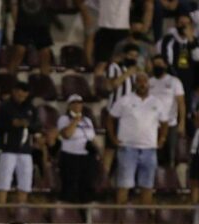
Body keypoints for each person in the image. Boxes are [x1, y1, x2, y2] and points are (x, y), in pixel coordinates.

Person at [107, 72, 168, 205]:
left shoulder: (157, 102)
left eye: (144, 82)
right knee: (124, 184)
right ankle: (121, 218)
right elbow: (111, 118)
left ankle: (145, 220)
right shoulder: (125, 100)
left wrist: (162, 138)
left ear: (148, 84)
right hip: (127, 147)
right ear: (135, 84)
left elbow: (164, 122)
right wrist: (113, 138)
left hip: (149, 149)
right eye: (139, 81)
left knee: (147, 185)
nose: (142, 84)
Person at [0, 82, 41, 204]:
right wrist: (11, 124)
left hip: (25, 150)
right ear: (14, 91)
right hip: (8, 149)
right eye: (20, 91)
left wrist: (27, 124)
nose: (22, 94)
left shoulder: (31, 108)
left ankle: (22, 210)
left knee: (25, 181)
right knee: (4, 181)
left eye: (25, 92)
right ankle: (1, 209)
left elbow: (37, 126)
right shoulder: (4, 107)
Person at [157, 13, 199, 112]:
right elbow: (167, 61)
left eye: (186, 23)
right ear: (176, 24)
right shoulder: (169, 39)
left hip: (188, 81)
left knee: (185, 109)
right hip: (172, 80)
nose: (183, 26)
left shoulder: (193, 40)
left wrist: (190, 40)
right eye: (181, 23)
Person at [103, 43, 139, 176]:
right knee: (110, 148)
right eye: (130, 55)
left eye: (136, 56)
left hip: (129, 116)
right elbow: (110, 86)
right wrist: (126, 74)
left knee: (127, 149)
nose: (133, 58)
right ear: (124, 55)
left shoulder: (136, 71)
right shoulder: (115, 67)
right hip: (115, 115)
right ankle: (104, 180)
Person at [58, 94, 97, 203]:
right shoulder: (64, 119)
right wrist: (75, 121)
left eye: (79, 103)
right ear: (69, 105)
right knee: (70, 185)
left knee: (86, 185)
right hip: (70, 156)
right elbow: (67, 134)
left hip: (86, 156)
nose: (77, 105)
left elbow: (92, 137)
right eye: (74, 103)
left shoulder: (87, 120)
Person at [148, 54, 186, 166]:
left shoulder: (174, 81)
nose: (157, 66)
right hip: (152, 124)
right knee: (155, 156)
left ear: (165, 65)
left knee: (170, 156)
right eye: (155, 64)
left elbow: (181, 103)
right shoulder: (149, 81)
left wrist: (182, 122)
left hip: (170, 123)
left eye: (160, 64)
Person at [8, 0, 53, 75]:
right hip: (23, 24)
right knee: (19, 51)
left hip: (41, 24)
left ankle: (45, 80)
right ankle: (10, 80)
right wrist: (17, 24)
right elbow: (13, 4)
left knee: (45, 53)